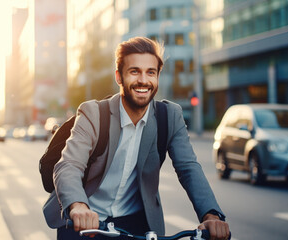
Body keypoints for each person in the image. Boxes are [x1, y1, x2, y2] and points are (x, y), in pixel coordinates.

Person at [44, 37, 230, 240]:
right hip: (84, 221)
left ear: (158, 76)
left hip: (134, 225)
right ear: (119, 77)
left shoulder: (169, 117)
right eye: (134, 71)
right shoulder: (94, 114)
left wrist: (211, 214)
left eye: (150, 72)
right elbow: (69, 164)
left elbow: (188, 168)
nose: (143, 80)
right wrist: (78, 205)